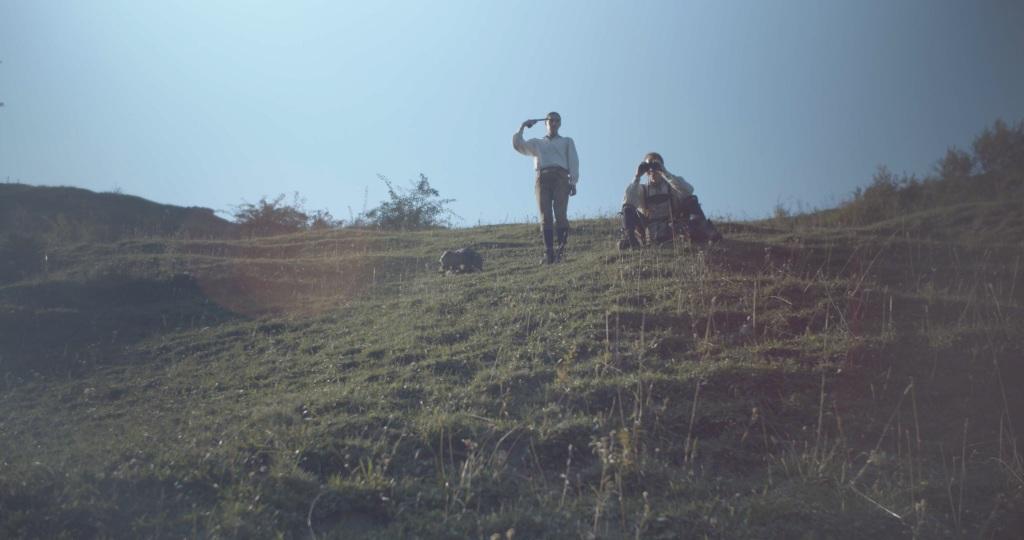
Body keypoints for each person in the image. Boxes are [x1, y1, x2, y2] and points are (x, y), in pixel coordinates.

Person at [513, 112, 580, 264]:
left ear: (560, 124)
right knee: (545, 216)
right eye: (551, 120)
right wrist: (523, 125)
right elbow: (518, 145)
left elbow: (573, 160)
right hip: (542, 177)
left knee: (560, 214)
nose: (554, 123)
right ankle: (549, 252)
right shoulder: (538, 143)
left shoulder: (567, 141)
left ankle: (561, 251)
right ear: (546, 123)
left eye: (557, 120)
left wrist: (573, 181)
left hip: (561, 177)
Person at [620, 152, 720, 248]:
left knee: (691, 200)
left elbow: (689, 191)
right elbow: (627, 200)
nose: (652, 170)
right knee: (627, 209)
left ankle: (704, 231)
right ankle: (630, 240)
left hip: (673, 228)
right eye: (648, 167)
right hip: (648, 231)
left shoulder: (672, 186)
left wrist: (665, 173)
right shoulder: (642, 190)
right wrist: (637, 176)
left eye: (655, 165)